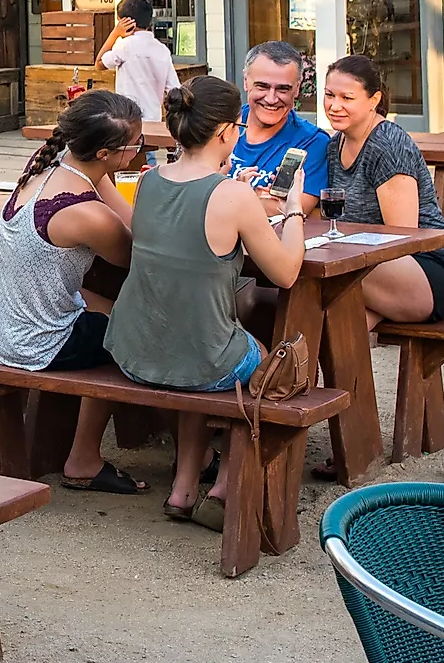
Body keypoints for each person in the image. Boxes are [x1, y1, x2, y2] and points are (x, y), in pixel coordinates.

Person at [104, 76, 310, 523]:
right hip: (201, 359)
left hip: (135, 352)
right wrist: (293, 207)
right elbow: (287, 272)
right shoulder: (232, 195)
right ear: (224, 133)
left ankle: (182, 487)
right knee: (263, 360)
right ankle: (224, 484)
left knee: (200, 341)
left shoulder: (149, 180)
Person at [0, 90, 147, 492]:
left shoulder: (50, 168)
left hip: (5, 328)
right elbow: (141, 254)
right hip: (38, 343)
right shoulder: (84, 213)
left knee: (122, 313)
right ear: (107, 153)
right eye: (136, 145)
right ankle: (85, 458)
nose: (140, 152)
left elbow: (123, 217)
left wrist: (110, 180)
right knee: (144, 333)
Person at [317, 54, 444, 327]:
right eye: (329, 95)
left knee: (328, 273)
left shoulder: (389, 144)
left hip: (425, 268)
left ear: (374, 100)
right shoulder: (334, 146)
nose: (334, 106)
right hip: (367, 265)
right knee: (333, 324)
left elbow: (401, 237)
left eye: (347, 98)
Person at [228, 40, 333, 216]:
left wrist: (230, 196)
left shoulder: (312, 142)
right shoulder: (223, 123)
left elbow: (293, 210)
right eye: (262, 86)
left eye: (283, 89)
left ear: (297, 89)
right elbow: (192, 189)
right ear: (246, 82)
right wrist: (252, 198)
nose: (271, 98)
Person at [97, 0, 178, 109]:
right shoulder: (162, 49)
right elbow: (173, 88)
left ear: (126, 22)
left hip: (128, 117)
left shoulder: (125, 45)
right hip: (153, 117)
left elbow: (99, 63)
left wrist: (115, 33)